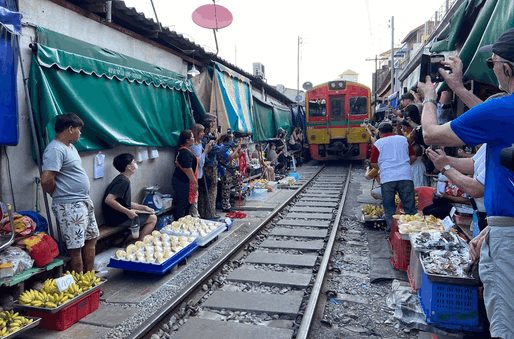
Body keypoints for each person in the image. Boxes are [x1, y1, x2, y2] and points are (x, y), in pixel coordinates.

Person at [418, 28, 514, 338]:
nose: (492, 66)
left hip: (508, 240)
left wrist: (430, 99)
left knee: (504, 325)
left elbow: (432, 134)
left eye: (492, 62)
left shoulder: (505, 109)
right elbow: (487, 116)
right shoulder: (502, 113)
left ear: (507, 68)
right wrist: (492, 228)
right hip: (502, 226)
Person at [41, 113, 99, 273]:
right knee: (75, 247)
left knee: (92, 238)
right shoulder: (54, 149)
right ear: (70, 128)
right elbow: (46, 179)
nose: (80, 133)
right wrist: (58, 195)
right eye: (79, 130)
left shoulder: (70, 147)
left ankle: (90, 277)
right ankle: (80, 284)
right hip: (69, 205)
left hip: (83, 201)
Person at [369, 122, 417, 231]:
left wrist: (383, 167)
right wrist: (403, 165)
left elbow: (373, 163)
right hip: (405, 176)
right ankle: (413, 230)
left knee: (389, 206)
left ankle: (392, 230)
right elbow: (413, 156)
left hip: (387, 178)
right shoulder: (403, 139)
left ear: (380, 133)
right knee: (409, 205)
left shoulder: (378, 143)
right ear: (393, 130)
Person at [426, 145, 487, 230]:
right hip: (480, 213)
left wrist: (445, 167)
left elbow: (476, 189)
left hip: (491, 216)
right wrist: (443, 160)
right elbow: (473, 163)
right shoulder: (487, 146)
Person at [102, 153, 157, 240]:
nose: (136, 164)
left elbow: (124, 202)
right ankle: (140, 243)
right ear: (129, 167)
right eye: (134, 162)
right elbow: (109, 200)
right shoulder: (123, 181)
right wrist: (128, 212)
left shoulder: (122, 178)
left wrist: (144, 207)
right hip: (115, 219)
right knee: (152, 218)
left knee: (147, 213)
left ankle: (130, 238)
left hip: (116, 216)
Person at [172, 130, 198, 220]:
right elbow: (187, 169)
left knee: (184, 203)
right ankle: (179, 223)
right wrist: (194, 182)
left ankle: (184, 221)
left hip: (180, 180)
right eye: (192, 137)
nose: (194, 139)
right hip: (182, 181)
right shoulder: (185, 152)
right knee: (182, 204)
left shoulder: (182, 150)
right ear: (187, 140)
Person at [190, 124, 214, 218]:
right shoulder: (194, 146)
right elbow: (199, 162)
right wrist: (205, 151)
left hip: (199, 174)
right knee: (195, 198)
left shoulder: (199, 144)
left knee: (198, 196)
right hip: (195, 174)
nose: (203, 134)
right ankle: (195, 216)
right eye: (201, 132)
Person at [199, 119, 222, 219]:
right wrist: (217, 140)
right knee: (211, 192)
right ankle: (210, 214)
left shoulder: (201, 140)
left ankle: (203, 214)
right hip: (209, 168)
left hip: (203, 169)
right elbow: (218, 151)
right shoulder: (206, 140)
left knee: (203, 193)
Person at [217, 134, 241, 212]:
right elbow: (230, 157)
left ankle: (230, 202)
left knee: (229, 188)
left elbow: (236, 156)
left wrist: (235, 150)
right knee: (226, 190)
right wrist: (237, 149)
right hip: (225, 171)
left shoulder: (228, 148)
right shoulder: (222, 147)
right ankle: (226, 206)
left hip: (231, 170)